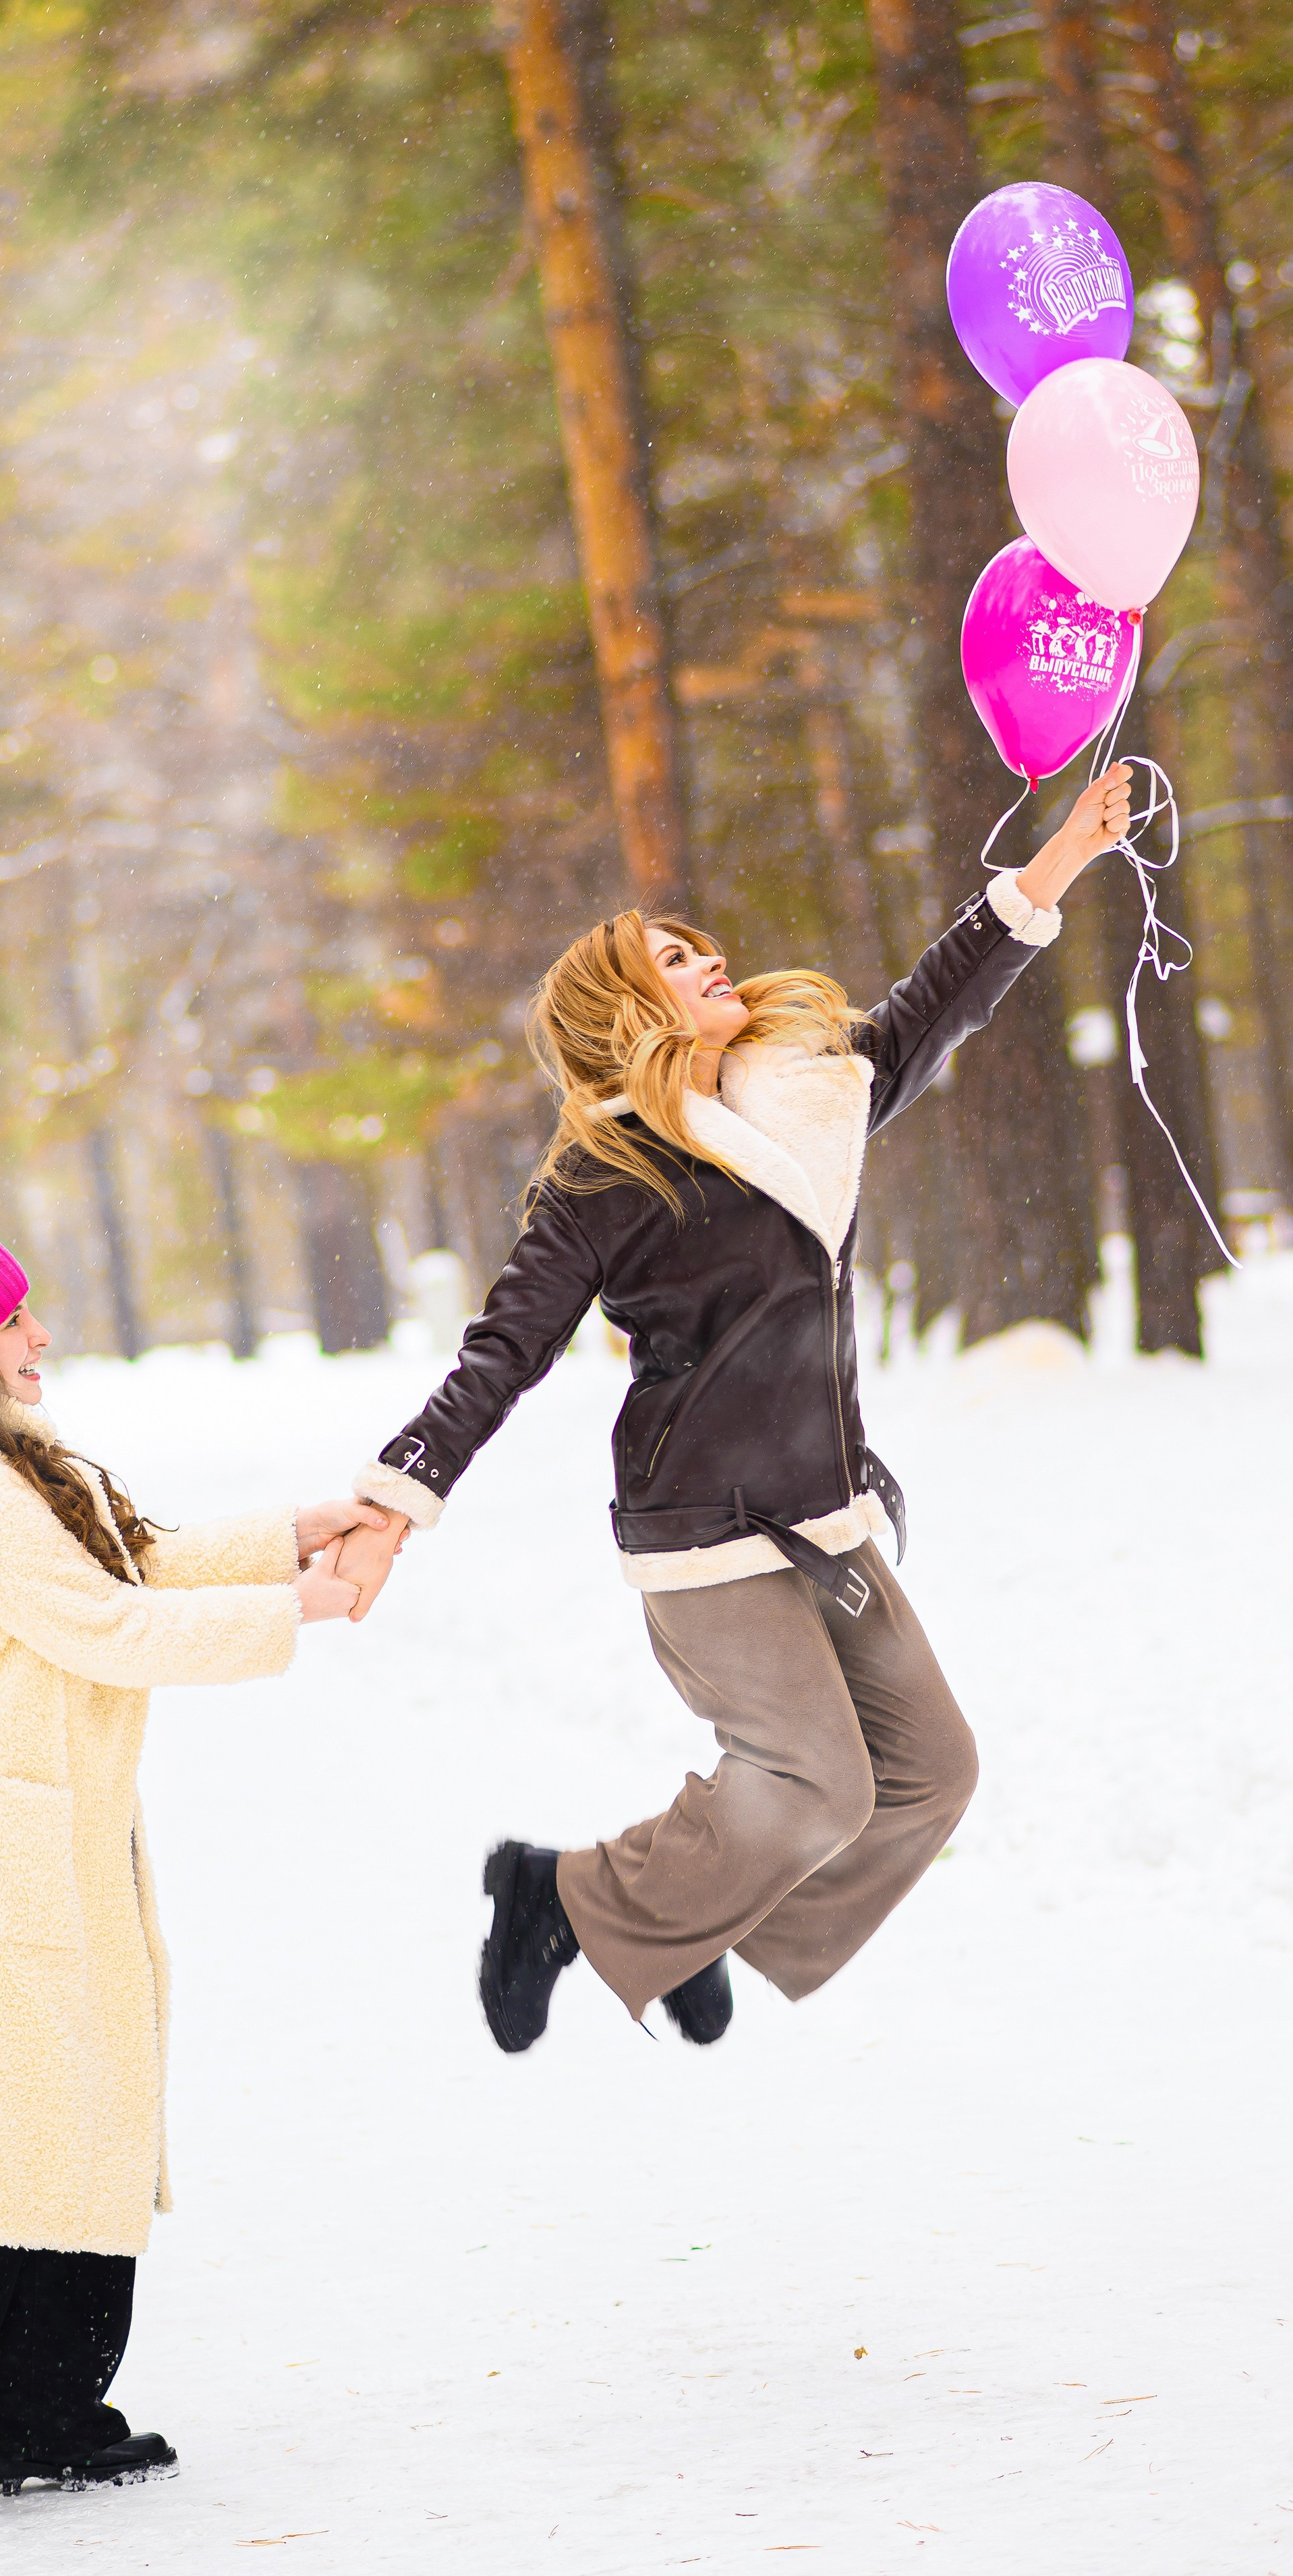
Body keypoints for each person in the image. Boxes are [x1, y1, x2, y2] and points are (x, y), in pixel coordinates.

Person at [339, 768, 1134, 2053]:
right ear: (627, 1010)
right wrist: (396, 1497)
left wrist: (1064, 858)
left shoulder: (808, 1096)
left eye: (699, 945)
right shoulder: (605, 1171)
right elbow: (504, 1351)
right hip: (703, 1529)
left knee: (932, 1772)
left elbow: (939, 1003)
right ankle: (558, 1898)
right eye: (674, 959)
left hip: (820, 1506)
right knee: (817, 1782)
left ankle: (694, 1922)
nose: (710, 959)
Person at [0, 1211, 387, 2539]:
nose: (40, 1335)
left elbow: (136, 1558)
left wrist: (294, 1533)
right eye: (14, 1319)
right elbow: (112, 1625)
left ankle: (39, 2416)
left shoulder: (2, 1465)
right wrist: (305, 1605)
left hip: (43, 1856)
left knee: (76, 2132)